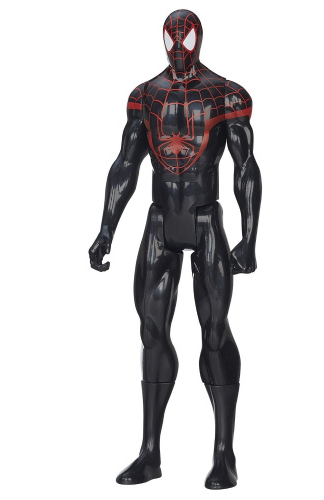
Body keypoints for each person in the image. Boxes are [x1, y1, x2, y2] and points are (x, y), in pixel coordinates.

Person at [89, 9, 261, 489]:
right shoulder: (145, 95)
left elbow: (246, 167)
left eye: (186, 39)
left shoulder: (226, 94)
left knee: (215, 331)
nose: (180, 48)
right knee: (151, 330)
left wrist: (250, 237)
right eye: (173, 39)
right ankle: (150, 453)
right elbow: (125, 164)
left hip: (205, 221)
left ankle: (224, 453)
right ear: (163, 41)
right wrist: (106, 229)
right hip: (160, 221)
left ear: (200, 39)